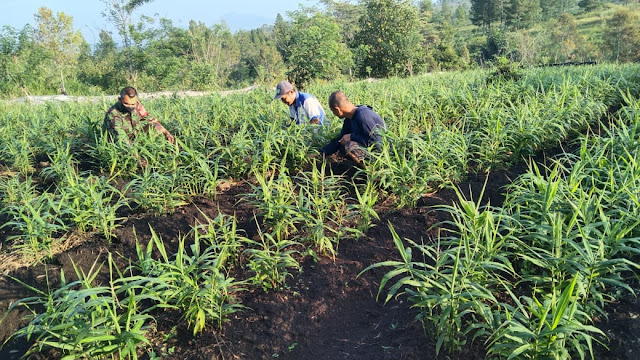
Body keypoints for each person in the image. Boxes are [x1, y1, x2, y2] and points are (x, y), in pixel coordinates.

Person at [319, 91, 387, 167]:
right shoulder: (349, 119)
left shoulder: (363, 116)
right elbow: (340, 139)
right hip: (370, 149)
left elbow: (378, 142)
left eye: (332, 111)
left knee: (349, 145)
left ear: (337, 109)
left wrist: (352, 136)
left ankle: (372, 172)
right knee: (343, 145)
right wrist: (321, 152)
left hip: (383, 154)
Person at [103, 86, 175, 144]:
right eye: (126, 103)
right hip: (120, 142)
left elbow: (150, 119)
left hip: (135, 134)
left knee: (156, 126)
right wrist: (137, 157)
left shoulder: (137, 106)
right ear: (119, 100)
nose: (130, 107)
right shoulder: (113, 114)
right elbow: (121, 140)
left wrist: (167, 133)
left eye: (133, 104)